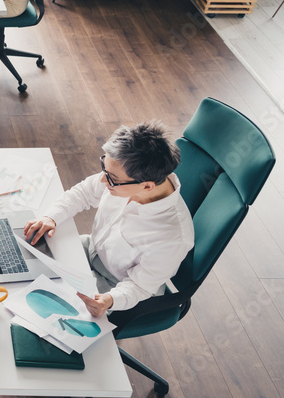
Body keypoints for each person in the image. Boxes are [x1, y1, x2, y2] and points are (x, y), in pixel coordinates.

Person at [23, 121, 194, 317]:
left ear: (147, 187)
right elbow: (84, 192)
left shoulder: (173, 237)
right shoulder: (124, 176)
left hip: (116, 284)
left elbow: (140, 286)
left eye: (111, 178)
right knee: (26, 265)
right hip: (90, 249)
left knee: (44, 314)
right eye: (104, 167)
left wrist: (111, 300)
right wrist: (51, 217)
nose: (103, 180)